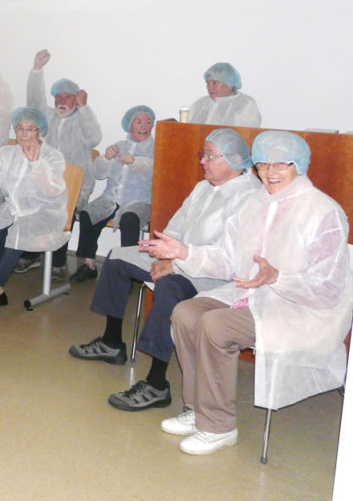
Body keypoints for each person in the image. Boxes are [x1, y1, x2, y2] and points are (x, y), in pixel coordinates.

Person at [141, 130, 353, 455]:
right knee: (185, 312)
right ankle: (197, 409)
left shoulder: (324, 212)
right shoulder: (254, 203)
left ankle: (219, 426)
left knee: (215, 325)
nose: (270, 172)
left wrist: (277, 278)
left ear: (299, 165)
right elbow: (228, 261)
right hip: (250, 295)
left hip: (302, 310)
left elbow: (328, 290)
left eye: (281, 164)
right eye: (263, 164)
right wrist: (184, 252)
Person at [68, 129, 261, 411]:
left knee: (170, 287)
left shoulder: (250, 198)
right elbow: (176, 227)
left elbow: (230, 259)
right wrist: (163, 252)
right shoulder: (204, 187)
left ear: (234, 160)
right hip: (179, 258)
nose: (203, 161)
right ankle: (111, 343)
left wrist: (176, 262)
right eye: (203, 154)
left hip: (214, 276)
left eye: (210, 156)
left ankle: (157, 384)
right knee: (118, 257)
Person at [0, 107, 68, 310]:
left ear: (40, 131)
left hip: (44, 211)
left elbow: (52, 190)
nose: (24, 133)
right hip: (14, 209)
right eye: (20, 127)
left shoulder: (52, 156)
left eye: (30, 129)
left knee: (17, 234)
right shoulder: (6, 153)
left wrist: (36, 163)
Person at [25, 52, 102, 277]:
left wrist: (84, 107)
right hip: (45, 180)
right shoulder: (48, 117)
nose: (62, 101)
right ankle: (30, 255)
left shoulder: (82, 119)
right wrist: (37, 70)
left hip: (75, 185)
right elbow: (34, 102)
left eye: (68, 97)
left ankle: (58, 263)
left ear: (76, 99)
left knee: (63, 208)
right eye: (58, 97)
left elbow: (94, 138)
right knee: (30, 202)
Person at [69, 105, 155, 284]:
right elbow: (99, 174)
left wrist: (136, 162)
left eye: (148, 122)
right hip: (111, 198)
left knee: (129, 220)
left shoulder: (157, 148)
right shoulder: (119, 146)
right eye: (139, 122)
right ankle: (89, 264)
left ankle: (129, 272)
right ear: (129, 125)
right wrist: (106, 159)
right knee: (87, 214)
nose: (144, 127)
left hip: (139, 201)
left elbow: (155, 175)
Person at [188, 62, 261, 127]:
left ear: (230, 84)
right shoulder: (200, 104)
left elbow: (247, 134)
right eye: (207, 83)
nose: (209, 87)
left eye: (215, 83)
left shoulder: (246, 104)